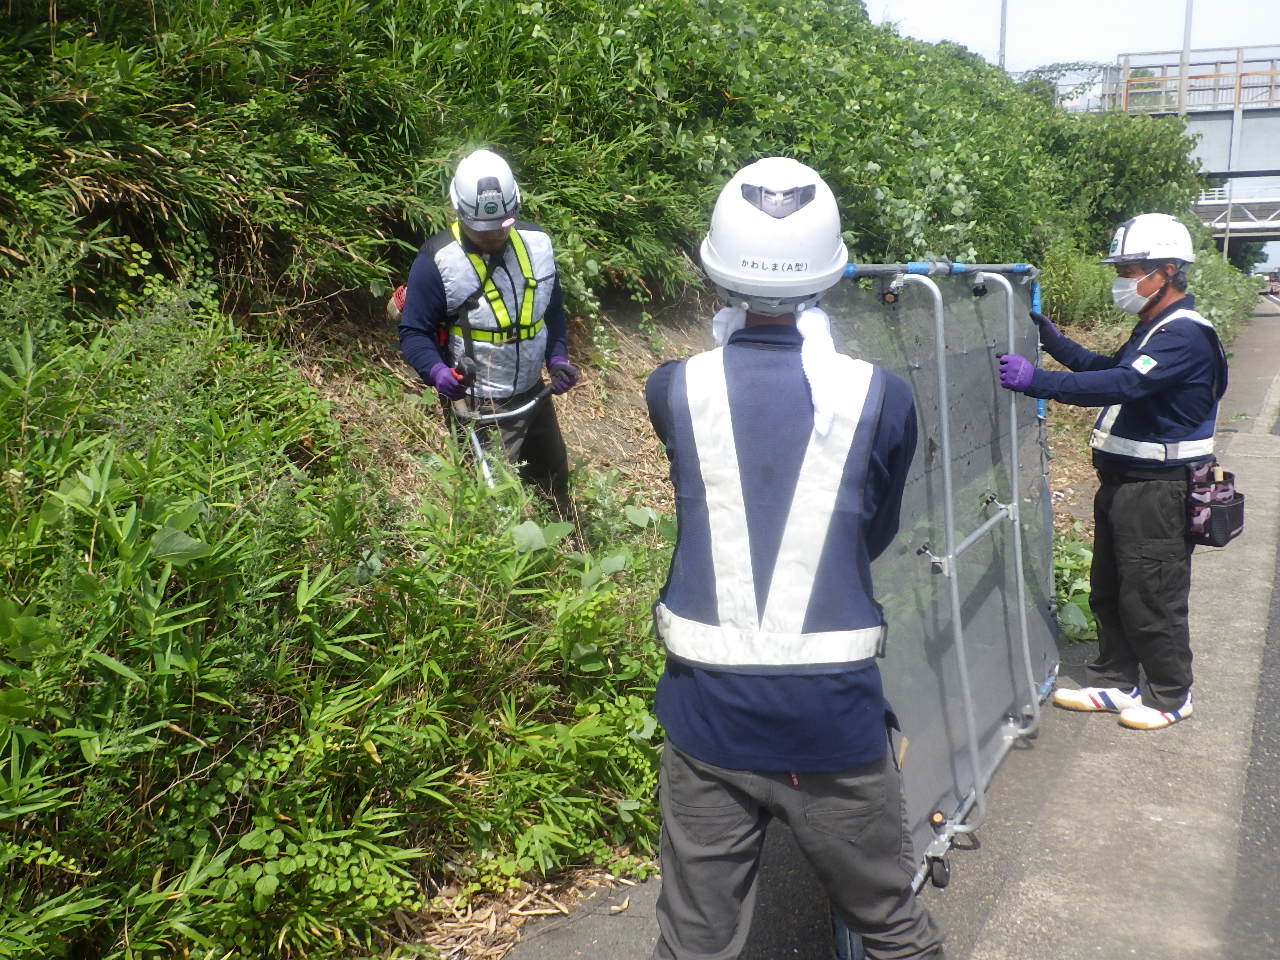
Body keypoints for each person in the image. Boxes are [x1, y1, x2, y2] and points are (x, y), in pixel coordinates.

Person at [644, 157, 943, 960]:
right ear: (831, 273)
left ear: (715, 268)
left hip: (707, 722)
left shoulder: (673, 388)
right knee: (890, 924)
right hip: (834, 726)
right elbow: (868, 531)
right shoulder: (880, 395)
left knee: (695, 944)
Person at [997, 213, 1227, 731]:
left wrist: (1038, 381)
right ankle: (1115, 682)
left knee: (1152, 593)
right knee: (1110, 586)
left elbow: (1121, 386)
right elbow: (1111, 368)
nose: (1122, 279)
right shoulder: (1154, 328)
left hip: (1159, 489)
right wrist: (1055, 344)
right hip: (1125, 483)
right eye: (1121, 268)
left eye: (1130, 269)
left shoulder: (1184, 336)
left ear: (1167, 271)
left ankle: (1172, 694)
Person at [396, 148, 579, 510]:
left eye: (502, 225)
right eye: (483, 229)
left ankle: (566, 545)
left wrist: (557, 358)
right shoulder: (437, 261)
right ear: (459, 212)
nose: (494, 234)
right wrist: (435, 371)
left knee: (553, 479)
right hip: (481, 403)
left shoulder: (538, 246)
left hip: (534, 394)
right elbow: (414, 332)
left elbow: (552, 311)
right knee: (492, 503)